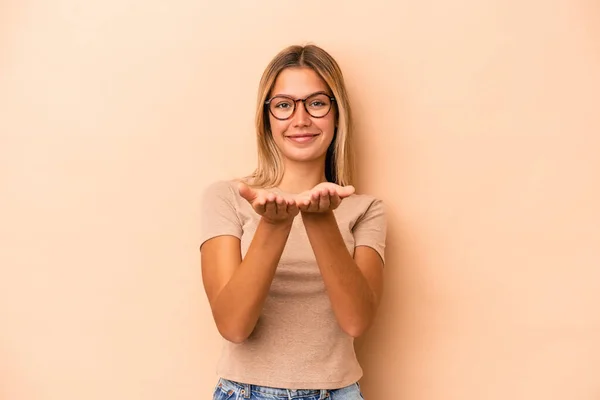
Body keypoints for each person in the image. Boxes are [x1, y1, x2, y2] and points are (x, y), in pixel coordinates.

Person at [199, 44, 387, 400]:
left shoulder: (367, 209)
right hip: (246, 392)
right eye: (284, 105)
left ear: (336, 113)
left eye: (316, 103)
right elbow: (233, 326)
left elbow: (356, 321)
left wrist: (319, 219)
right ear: (267, 117)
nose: (300, 119)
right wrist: (274, 225)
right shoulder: (229, 197)